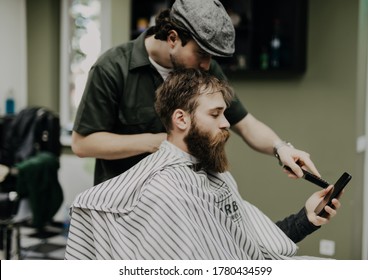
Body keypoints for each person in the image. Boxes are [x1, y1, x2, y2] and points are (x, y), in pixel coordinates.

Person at [64, 69, 341, 260]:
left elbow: (249, 245)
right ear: (181, 119)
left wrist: (305, 219)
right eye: (215, 114)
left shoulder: (213, 173)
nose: (226, 123)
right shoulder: (164, 192)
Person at [72, 0, 319, 185]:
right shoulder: (113, 68)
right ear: (172, 38)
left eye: (211, 57)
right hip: (125, 204)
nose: (206, 65)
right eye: (201, 54)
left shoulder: (206, 68)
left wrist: (281, 148)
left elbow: (245, 124)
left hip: (185, 199)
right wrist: (156, 142)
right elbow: (83, 144)